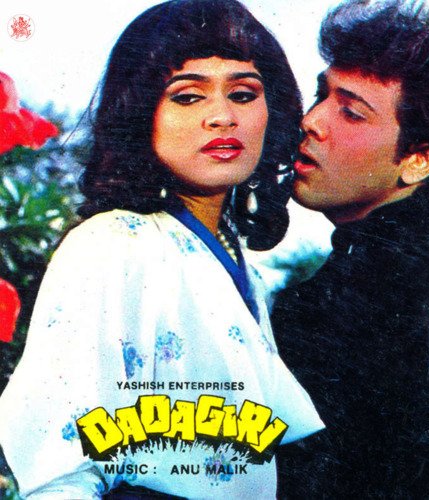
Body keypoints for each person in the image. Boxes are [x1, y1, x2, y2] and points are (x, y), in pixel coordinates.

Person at [0, 0, 324, 497]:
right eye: (188, 97)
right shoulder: (109, 244)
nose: (222, 117)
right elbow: (61, 470)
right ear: (140, 115)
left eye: (243, 94)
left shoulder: (241, 264)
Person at [273, 0, 429, 497]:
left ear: (419, 160)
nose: (312, 121)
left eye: (351, 112)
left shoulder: (392, 275)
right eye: (322, 95)